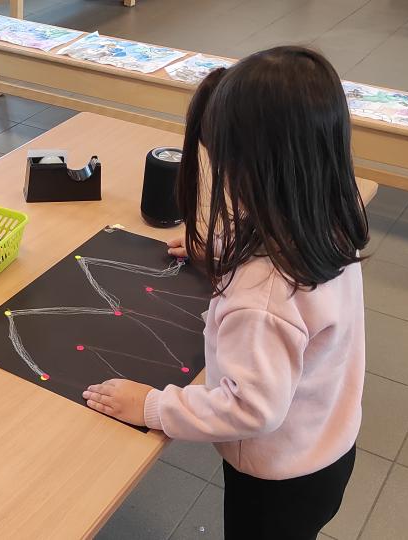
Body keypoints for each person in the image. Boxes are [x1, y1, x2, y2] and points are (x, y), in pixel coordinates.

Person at [82, 46, 369, 539]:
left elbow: (250, 409)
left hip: (278, 480)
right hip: (325, 444)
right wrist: (222, 248)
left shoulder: (264, 296)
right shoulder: (329, 217)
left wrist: (153, 406)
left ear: (253, 170)